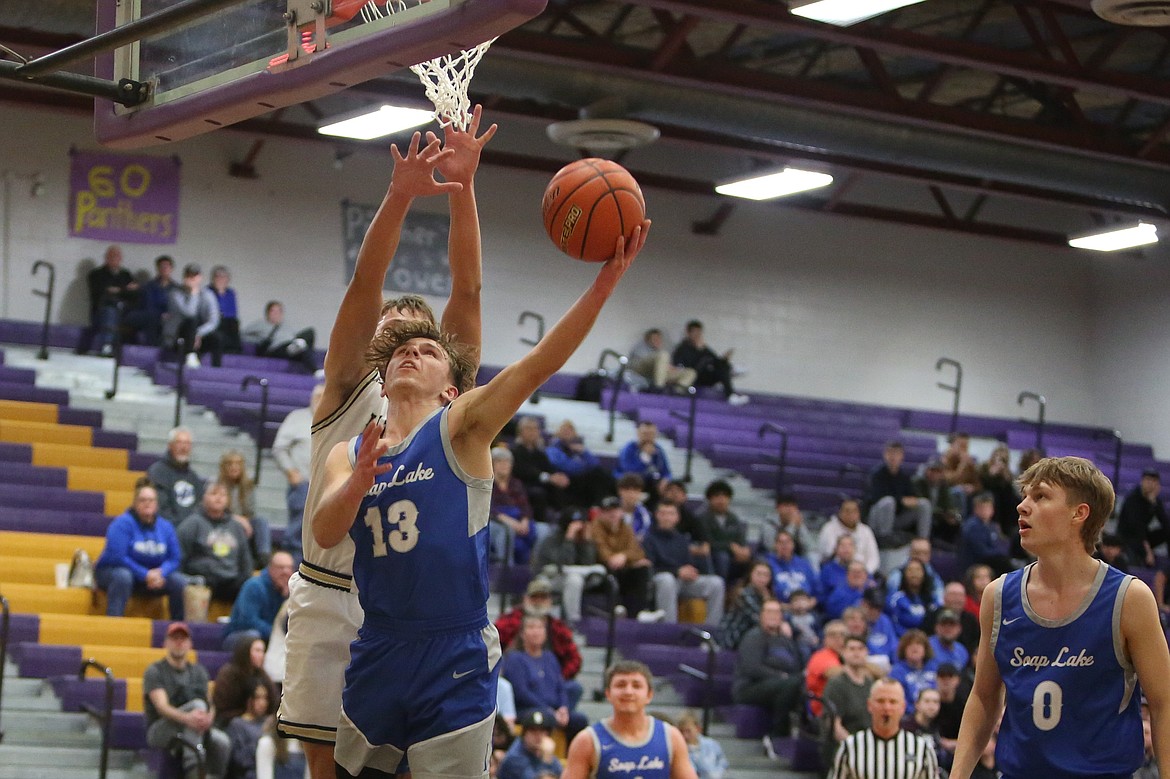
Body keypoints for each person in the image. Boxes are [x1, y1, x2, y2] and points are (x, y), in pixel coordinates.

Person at [310, 209, 649, 777]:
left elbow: (537, 363)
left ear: (451, 387)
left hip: (455, 648)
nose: (410, 352)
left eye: (428, 350)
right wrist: (359, 483)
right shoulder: (353, 451)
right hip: (380, 645)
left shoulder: (460, 424)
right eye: (400, 350)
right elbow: (325, 529)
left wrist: (604, 285)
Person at [276, 113, 495, 779]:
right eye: (391, 327)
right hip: (329, 587)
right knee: (327, 767)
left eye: (418, 331)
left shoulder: (443, 396)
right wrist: (399, 194)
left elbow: (468, 290)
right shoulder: (347, 379)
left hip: (407, 610)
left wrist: (463, 189)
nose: (403, 333)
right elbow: (364, 285)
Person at [951, 456, 1170, 779]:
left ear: (1079, 513)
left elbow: (1164, 703)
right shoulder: (998, 596)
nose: (1022, 506)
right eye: (1025, 496)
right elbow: (984, 698)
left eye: (1040, 496)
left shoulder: (1129, 598)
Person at [562, 659, 697, 779]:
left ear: (649, 695)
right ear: (608, 694)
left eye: (636, 686)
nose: (628, 692)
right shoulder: (587, 741)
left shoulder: (670, 737)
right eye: (621, 685)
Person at [144, 622, 232, 779]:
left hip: (194, 725)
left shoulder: (199, 671)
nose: (179, 642)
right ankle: (193, 771)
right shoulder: (155, 670)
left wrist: (209, 718)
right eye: (174, 638)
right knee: (197, 707)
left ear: (190, 644)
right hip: (161, 728)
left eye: (183, 639)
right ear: (165, 643)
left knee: (222, 741)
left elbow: (210, 704)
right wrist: (188, 718)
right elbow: (162, 707)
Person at [94, 480, 186, 618]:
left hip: (153, 577)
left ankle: (177, 628)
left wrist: (161, 572)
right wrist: (145, 574)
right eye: (142, 500)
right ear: (135, 503)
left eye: (151, 500)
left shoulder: (166, 527)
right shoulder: (122, 524)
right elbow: (118, 557)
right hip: (113, 572)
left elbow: (175, 558)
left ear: (156, 504)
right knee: (123, 577)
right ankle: (113, 622)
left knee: (179, 581)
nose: (147, 503)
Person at [494, 576, 584, 708]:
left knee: (573, 688)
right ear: (525, 599)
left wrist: (553, 680)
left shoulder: (558, 628)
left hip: (549, 683)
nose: (538, 602)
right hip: (516, 681)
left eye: (543, 598)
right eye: (534, 597)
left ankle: (559, 719)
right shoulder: (507, 623)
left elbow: (574, 659)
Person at [828, 677, 939, 779]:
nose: (886, 707)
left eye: (893, 702)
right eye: (880, 701)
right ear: (869, 705)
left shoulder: (922, 749)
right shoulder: (850, 747)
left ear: (903, 707)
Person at [501, 616, 589, 743]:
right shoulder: (515, 659)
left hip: (553, 708)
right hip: (528, 708)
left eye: (540, 628)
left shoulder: (550, 657)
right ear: (522, 633)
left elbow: (560, 686)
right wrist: (548, 709)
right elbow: (521, 692)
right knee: (547, 717)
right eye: (531, 627)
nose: (536, 632)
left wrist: (563, 707)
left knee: (579, 719)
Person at [732, 599, 806, 750]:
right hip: (750, 686)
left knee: (800, 683)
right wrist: (781, 677)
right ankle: (778, 736)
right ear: (761, 615)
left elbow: (798, 665)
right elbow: (752, 668)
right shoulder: (754, 637)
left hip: (782, 684)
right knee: (790, 685)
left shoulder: (786, 641)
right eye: (769, 612)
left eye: (777, 612)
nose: (773, 616)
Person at [642, 502, 725, 625]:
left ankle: (711, 632)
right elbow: (649, 569)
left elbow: (688, 563)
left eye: (671, 514)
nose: (667, 517)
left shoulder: (682, 539)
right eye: (663, 513)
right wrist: (677, 572)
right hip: (660, 580)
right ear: (657, 515)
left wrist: (692, 571)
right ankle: (668, 629)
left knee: (716, 583)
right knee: (667, 580)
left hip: (683, 581)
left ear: (677, 518)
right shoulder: (648, 539)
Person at [271, 383, 323, 566]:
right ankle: (291, 570)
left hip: (326, 486)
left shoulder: (336, 420)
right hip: (303, 484)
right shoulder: (297, 418)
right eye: (317, 397)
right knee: (296, 532)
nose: (320, 401)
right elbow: (279, 448)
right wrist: (291, 471)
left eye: (324, 396)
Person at [177, 480, 254, 602]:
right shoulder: (192, 524)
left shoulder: (236, 527)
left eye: (223, 495)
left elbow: (245, 560)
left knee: (252, 586)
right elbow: (179, 555)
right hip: (203, 580)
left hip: (231, 580)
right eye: (214, 494)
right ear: (204, 498)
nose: (218, 498)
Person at [529, 508, 604, 624]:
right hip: (549, 578)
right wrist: (569, 539)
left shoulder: (583, 540)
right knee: (574, 579)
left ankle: (573, 623)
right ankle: (570, 622)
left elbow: (588, 563)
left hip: (571, 579)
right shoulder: (552, 539)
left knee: (575, 579)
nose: (578, 527)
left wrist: (587, 542)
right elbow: (561, 564)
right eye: (574, 524)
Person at [592, 495, 656, 618]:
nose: (613, 514)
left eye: (615, 510)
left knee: (642, 567)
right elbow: (602, 552)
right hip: (602, 569)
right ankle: (615, 608)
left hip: (623, 567)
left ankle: (640, 612)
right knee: (610, 567)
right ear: (601, 513)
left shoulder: (625, 528)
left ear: (621, 512)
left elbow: (638, 552)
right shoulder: (595, 527)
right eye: (608, 511)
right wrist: (621, 558)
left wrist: (624, 556)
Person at [820, 635, 876, 768]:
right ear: (843, 653)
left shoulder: (871, 684)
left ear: (867, 652)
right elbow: (834, 725)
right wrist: (856, 747)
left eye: (860, 649)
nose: (856, 653)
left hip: (870, 745)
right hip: (844, 748)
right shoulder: (836, 684)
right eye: (851, 649)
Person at [222, 552, 294, 650]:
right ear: (270, 568)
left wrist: (286, 598)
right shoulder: (254, 586)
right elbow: (248, 621)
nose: (285, 572)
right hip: (240, 635)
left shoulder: (290, 590)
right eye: (280, 568)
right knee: (253, 637)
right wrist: (276, 634)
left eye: (289, 568)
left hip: (271, 637)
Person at [865, 440, 932, 546]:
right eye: (890, 453)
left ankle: (923, 540)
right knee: (888, 501)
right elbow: (875, 498)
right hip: (877, 518)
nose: (893, 457)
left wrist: (913, 500)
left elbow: (911, 496)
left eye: (897, 454)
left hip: (896, 519)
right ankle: (884, 538)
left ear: (902, 456)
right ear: (885, 455)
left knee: (924, 503)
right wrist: (901, 500)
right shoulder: (876, 475)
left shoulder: (904, 477)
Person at [670, 319, 747, 405]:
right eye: (695, 333)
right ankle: (730, 370)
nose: (697, 336)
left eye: (699, 333)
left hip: (705, 377)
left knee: (722, 367)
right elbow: (680, 368)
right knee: (707, 360)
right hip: (692, 378)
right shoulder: (681, 349)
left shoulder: (704, 348)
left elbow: (716, 361)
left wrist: (724, 360)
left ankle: (731, 394)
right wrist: (701, 351)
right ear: (688, 333)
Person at [489, 446, 544, 565]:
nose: (504, 465)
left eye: (507, 462)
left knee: (541, 530)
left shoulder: (516, 484)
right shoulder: (487, 484)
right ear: (492, 464)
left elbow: (525, 506)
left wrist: (524, 520)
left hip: (518, 519)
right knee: (506, 532)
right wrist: (511, 522)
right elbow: (489, 509)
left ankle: (532, 569)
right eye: (499, 461)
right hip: (497, 519)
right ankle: (506, 570)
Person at [81, 244, 139, 356]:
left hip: (124, 310)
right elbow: (101, 292)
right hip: (102, 311)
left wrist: (118, 290)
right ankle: (107, 346)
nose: (114, 259)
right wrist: (125, 289)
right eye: (111, 256)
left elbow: (133, 293)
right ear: (106, 257)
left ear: (121, 258)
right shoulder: (96, 274)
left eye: (117, 256)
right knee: (110, 310)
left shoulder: (126, 274)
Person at [545, 419, 617, 510]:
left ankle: (607, 503)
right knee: (597, 474)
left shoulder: (578, 448)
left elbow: (595, 463)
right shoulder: (553, 449)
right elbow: (567, 467)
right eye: (564, 430)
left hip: (581, 480)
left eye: (570, 431)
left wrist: (584, 452)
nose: (567, 433)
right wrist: (583, 465)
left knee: (601, 474)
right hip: (566, 480)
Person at [218, 449, 273, 565]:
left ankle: (264, 557)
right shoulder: (216, 484)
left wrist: (244, 521)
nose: (234, 467)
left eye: (238, 464)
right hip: (223, 521)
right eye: (230, 464)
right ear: (224, 467)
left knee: (261, 521)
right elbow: (216, 511)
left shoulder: (248, 486)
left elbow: (250, 513)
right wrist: (237, 519)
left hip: (245, 522)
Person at [510, 415, 568, 523]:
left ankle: (562, 521)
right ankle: (540, 524)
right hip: (521, 485)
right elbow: (522, 471)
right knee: (538, 493)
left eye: (535, 429)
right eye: (529, 429)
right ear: (520, 431)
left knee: (559, 489)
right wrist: (547, 477)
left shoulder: (540, 453)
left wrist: (558, 477)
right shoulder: (515, 451)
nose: (533, 432)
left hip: (539, 484)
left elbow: (549, 468)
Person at [165, 263, 224, 369]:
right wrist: (193, 293)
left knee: (217, 338)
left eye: (195, 276)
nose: (192, 279)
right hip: (178, 334)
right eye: (189, 276)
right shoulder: (175, 293)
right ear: (184, 277)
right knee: (191, 321)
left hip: (197, 335)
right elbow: (189, 313)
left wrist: (198, 334)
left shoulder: (208, 294)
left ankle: (217, 369)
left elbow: (214, 320)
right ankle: (190, 355)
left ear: (200, 277)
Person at [213, 637, 278, 729]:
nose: (261, 655)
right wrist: (245, 714)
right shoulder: (228, 675)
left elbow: (273, 702)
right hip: (230, 723)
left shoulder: (263, 676)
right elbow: (222, 708)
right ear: (245, 651)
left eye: (263, 651)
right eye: (257, 651)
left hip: (260, 721)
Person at [695, 480, 751, 583]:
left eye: (725, 496)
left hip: (732, 555)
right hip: (712, 556)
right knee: (722, 557)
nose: (721, 500)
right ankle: (721, 589)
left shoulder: (733, 518)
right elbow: (708, 542)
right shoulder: (702, 518)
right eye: (717, 496)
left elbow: (740, 538)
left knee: (751, 559)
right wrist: (730, 546)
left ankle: (741, 591)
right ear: (710, 499)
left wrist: (743, 550)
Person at [147, 426, 204, 525]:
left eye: (187, 443)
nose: (184, 447)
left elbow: (200, 506)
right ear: (170, 445)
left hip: (190, 531)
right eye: (179, 442)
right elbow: (160, 509)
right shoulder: (157, 472)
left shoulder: (193, 476)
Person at [242, 300, 318, 372]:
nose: (276, 314)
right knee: (299, 346)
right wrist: (258, 340)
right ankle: (294, 347)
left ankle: (315, 371)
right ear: (268, 313)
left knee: (310, 332)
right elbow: (243, 335)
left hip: (292, 344)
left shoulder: (287, 326)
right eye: (273, 311)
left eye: (279, 311)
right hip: (276, 349)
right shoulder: (261, 324)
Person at [717, 559, 773, 650]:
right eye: (759, 574)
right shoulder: (744, 594)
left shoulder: (766, 595)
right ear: (750, 575)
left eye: (766, 575)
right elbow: (761, 620)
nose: (762, 579)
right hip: (731, 639)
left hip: (750, 638)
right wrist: (767, 600)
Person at [1117, 467, 1168, 567]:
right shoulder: (1132, 499)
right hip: (1128, 537)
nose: (1150, 484)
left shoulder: (1154, 500)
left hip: (1144, 536)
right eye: (1148, 480)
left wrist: (1154, 504)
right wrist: (1148, 551)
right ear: (1142, 481)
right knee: (1136, 544)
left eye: (1154, 481)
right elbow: (1136, 528)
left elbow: (1165, 523)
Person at [123, 253, 176, 347]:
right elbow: (148, 305)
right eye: (162, 267)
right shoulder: (149, 286)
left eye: (166, 267)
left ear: (171, 269)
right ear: (157, 268)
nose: (164, 269)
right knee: (151, 318)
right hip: (150, 315)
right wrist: (160, 315)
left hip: (167, 318)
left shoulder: (176, 289)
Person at [818, 499, 880, 575]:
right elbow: (828, 554)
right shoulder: (829, 529)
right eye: (847, 511)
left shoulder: (866, 530)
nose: (851, 514)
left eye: (854, 511)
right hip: (836, 573)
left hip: (862, 574)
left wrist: (865, 572)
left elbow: (874, 558)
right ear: (840, 512)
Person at [958, 491, 1012, 576]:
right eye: (983, 508)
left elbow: (1002, 543)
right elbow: (982, 552)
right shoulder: (972, 526)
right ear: (976, 509)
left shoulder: (992, 525)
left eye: (988, 507)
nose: (986, 511)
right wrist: (1001, 553)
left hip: (990, 562)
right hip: (974, 564)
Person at [225, 683, 273, 779]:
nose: (262, 703)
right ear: (248, 700)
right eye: (258, 698)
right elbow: (239, 760)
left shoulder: (269, 722)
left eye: (265, 698)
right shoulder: (237, 724)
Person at [497, 709, 562, 779]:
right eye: (533, 731)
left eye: (542, 731)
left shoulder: (542, 752)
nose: (538, 736)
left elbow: (561, 774)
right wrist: (546, 760)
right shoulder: (514, 758)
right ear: (524, 734)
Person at [914, 458, 963, 548]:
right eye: (932, 470)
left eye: (938, 471)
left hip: (940, 516)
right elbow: (921, 502)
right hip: (924, 515)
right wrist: (941, 513)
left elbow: (948, 504)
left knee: (956, 521)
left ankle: (952, 547)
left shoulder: (943, 485)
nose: (935, 474)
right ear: (927, 470)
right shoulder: (918, 483)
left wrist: (952, 514)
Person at [614, 420, 672, 497]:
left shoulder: (659, 450)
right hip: (629, 481)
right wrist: (645, 457)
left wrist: (666, 479)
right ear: (638, 433)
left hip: (651, 483)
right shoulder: (629, 449)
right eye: (645, 434)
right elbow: (629, 471)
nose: (648, 437)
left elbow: (666, 471)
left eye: (651, 434)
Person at [765, 529, 820, 608]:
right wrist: (786, 607)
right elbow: (766, 593)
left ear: (793, 544)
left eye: (788, 542)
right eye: (781, 542)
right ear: (775, 545)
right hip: (781, 610)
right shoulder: (768, 564)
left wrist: (810, 603)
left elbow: (817, 590)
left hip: (807, 608)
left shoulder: (804, 564)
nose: (784, 546)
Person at [628, 328, 696, 392]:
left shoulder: (662, 350)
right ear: (647, 340)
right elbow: (639, 363)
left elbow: (664, 367)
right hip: (641, 371)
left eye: (659, 339)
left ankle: (677, 392)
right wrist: (666, 366)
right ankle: (658, 388)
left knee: (691, 372)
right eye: (654, 339)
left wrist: (672, 368)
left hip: (657, 374)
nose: (658, 341)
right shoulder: (640, 348)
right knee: (663, 355)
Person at [888, 630, 937, 716]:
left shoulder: (934, 668)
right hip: (908, 716)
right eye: (910, 645)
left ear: (925, 649)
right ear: (904, 649)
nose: (915, 648)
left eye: (919, 644)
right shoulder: (897, 672)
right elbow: (897, 699)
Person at [806, 620, 847, 717]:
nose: (838, 638)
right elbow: (833, 672)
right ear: (825, 639)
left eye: (842, 635)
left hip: (844, 707)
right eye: (833, 635)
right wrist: (857, 665)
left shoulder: (845, 656)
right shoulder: (822, 656)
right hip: (825, 710)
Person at [886, 558, 935, 637]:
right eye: (910, 570)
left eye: (918, 570)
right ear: (904, 574)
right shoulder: (895, 599)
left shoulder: (931, 600)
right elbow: (893, 624)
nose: (914, 574)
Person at [676, 711, 727, 779]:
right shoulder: (679, 749)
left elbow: (723, 764)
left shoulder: (712, 745)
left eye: (688, 731)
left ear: (698, 729)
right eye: (681, 731)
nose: (685, 736)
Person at [772, 493, 818, 566]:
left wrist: (800, 526)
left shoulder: (798, 522)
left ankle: (814, 577)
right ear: (778, 508)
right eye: (786, 506)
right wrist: (792, 525)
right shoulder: (769, 522)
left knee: (812, 555)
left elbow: (810, 546)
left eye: (792, 506)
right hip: (775, 558)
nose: (790, 509)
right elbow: (771, 546)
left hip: (796, 558)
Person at [208, 265, 242, 354]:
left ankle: (235, 350)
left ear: (227, 279)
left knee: (234, 323)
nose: (220, 279)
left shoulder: (231, 293)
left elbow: (232, 311)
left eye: (223, 277)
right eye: (218, 276)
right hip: (212, 320)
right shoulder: (207, 291)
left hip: (227, 321)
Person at [616, 473, 653, 541]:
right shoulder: (610, 510)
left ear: (640, 492)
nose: (631, 494)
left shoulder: (645, 515)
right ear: (619, 491)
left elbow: (643, 536)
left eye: (635, 490)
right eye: (627, 489)